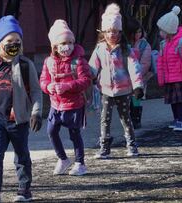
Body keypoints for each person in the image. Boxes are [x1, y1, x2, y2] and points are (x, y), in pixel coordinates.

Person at [0, 15, 42, 202]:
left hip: (19, 120)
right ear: (0, 43)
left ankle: (24, 190)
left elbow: (36, 91)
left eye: (17, 41)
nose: (14, 44)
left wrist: (36, 113)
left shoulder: (25, 65)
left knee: (21, 156)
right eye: (9, 41)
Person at [88, 3, 144, 159]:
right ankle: (104, 148)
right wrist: (88, 76)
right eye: (109, 31)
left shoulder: (125, 49)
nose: (112, 34)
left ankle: (132, 145)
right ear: (104, 32)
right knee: (104, 119)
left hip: (123, 90)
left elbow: (135, 67)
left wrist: (138, 86)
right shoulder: (99, 49)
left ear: (120, 32)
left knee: (126, 118)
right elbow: (93, 66)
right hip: (105, 90)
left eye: (115, 31)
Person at [39, 20, 91, 176]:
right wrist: (48, 87)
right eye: (63, 43)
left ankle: (80, 163)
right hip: (56, 105)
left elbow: (86, 80)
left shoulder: (78, 61)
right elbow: (43, 80)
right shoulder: (48, 62)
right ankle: (62, 158)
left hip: (74, 104)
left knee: (74, 134)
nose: (67, 46)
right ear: (55, 46)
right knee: (51, 131)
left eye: (70, 42)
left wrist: (67, 86)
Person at [156, 6, 182, 131]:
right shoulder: (163, 44)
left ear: (169, 30)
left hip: (180, 76)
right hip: (169, 77)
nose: (160, 33)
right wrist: (161, 78)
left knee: (179, 101)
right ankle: (176, 119)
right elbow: (160, 62)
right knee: (172, 100)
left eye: (162, 30)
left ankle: (181, 121)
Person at [126, 17, 152, 129]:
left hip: (139, 76)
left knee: (136, 97)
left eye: (139, 31)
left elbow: (145, 63)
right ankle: (129, 119)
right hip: (125, 77)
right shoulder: (125, 44)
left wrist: (135, 73)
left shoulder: (144, 45)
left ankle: (136, 120)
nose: (138, 34)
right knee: (127, 99)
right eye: (135, 32)